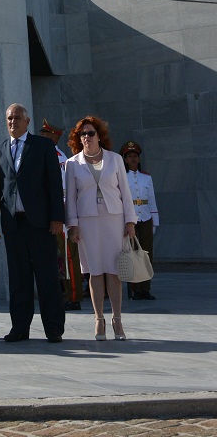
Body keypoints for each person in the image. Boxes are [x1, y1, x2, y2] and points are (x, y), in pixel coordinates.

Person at [0, 104, 65, 343]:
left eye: (17, 118)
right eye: (9, 118)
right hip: (13, 224)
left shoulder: (42, 146)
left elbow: (53, 183)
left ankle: (53, 328)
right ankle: (19, 327)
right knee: (18, 279)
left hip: (40, 223)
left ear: (27, 121)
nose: (13, 122)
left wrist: (57, 218)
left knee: (47, 277)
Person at [65, 115, 136, 340]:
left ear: (99, 135)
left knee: (114, 271)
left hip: (113, 219)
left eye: (90, 133)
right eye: (82, 134)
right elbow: (71, 199)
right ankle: (98, 320)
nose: (86, 137)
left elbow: (125, 192)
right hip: (87, 222)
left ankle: (117, 320)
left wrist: (130, 221)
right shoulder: (72, 164)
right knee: (95, 271)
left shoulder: (115, 159)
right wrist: (72, 225)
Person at [39, 118, 83, 311]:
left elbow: (66, 191)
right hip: (45, 214)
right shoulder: (44, 155)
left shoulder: (60, 159)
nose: (42, 138)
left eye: (46, 135)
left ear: (53, 137)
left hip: (61, 213)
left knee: (68, 256)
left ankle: (73, 296)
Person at [120, 140, 159, 300]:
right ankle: (136, 289)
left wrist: (155, 221)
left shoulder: (146, 178)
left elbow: (151, 199)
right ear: (125, 159)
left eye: (135, 156)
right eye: (129, 156)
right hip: (132, 219)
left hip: (146, 216)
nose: (133, 159)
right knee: (134, 254)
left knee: (147, 254)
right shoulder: (122, 177)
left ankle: (146, 288)